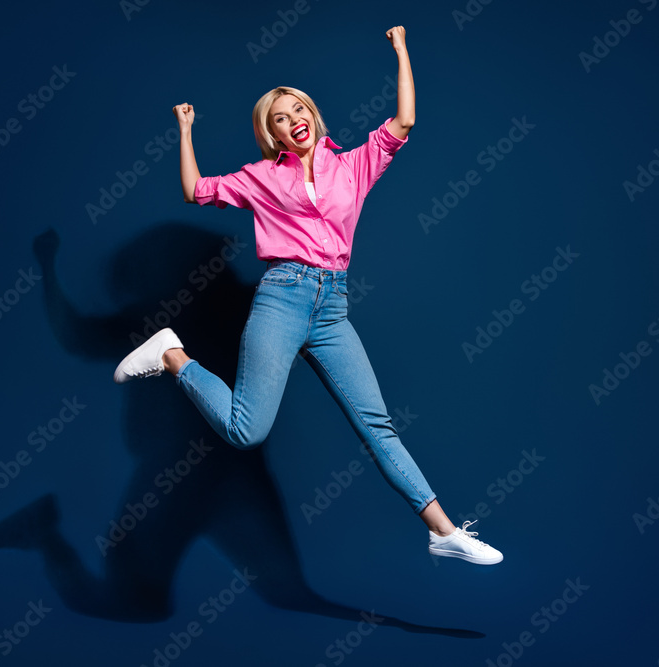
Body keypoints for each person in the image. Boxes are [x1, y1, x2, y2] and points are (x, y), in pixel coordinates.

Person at [113, 26, 501, 565]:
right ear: (272, 134)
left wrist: (401, 51)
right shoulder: (260, 178)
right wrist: (185, 130)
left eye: (297, 108)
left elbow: (404, 121)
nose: (292, 118)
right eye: (279, 117)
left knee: (377, 425)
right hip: (282, 297)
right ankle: (171, 355)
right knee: (246, 431)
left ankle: (442, 531)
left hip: (332, 306)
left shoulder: (354, 166)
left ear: (311, 116)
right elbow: (195, 190)